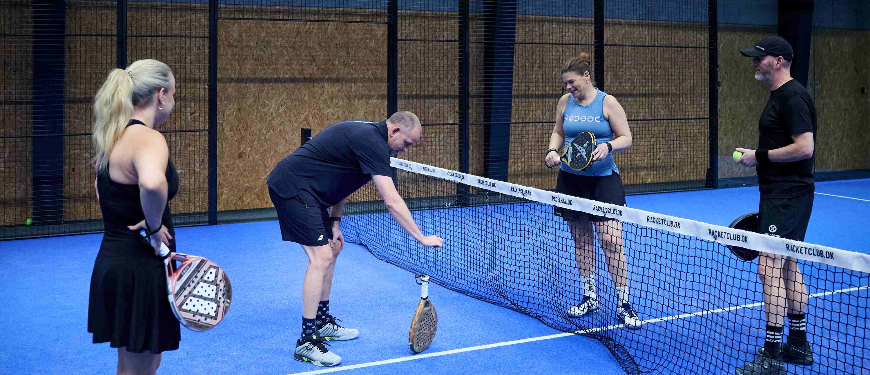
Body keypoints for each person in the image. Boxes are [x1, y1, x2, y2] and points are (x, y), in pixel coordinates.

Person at [267, 112, 444, 367]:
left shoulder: (373, 142)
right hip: (293, 187)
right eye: (406, 144)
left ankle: (323, 322)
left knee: (333, 248)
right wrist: (421, 237)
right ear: (394, 131)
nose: (405, 151)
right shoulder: (372, 142)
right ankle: (306, 342)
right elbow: (392, 202)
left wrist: (335, 221)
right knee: (321, 257)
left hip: (313, 194)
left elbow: (345, 181)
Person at [88, 59, 180, 374]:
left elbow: (104, 194)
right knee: (140, 366)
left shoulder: (111, 138)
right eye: (174, 95)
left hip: (114, 260)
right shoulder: (148, 139)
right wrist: (155, 229)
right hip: (140, 266)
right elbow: (153, 183)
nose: (173, 103)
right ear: (162, 94)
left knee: (137, 363)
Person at [734, 36, 816, 375]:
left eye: (760, 58)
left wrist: (760, 157)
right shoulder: (779, 96)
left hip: (787, 196)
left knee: (768, 265)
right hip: (779, 194)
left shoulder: (792, 97)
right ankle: (797, 345)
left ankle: (771, 356)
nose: (754, 63)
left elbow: (805, 147)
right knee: (787, 263)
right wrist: (761, 160)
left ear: (779, 60)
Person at [544, 54, 640, 329]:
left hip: (603, 179)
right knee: (581, 239)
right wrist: (552, 149)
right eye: (565, 84)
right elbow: (558, 132)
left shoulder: (607, 102)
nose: (568, 88)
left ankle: (623, 302)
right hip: (571, 180)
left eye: (572, 82)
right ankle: (589, 296)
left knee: (611, 240)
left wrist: (608, 147)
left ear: (586, 75)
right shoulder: (565, 102)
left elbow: (626, 137)